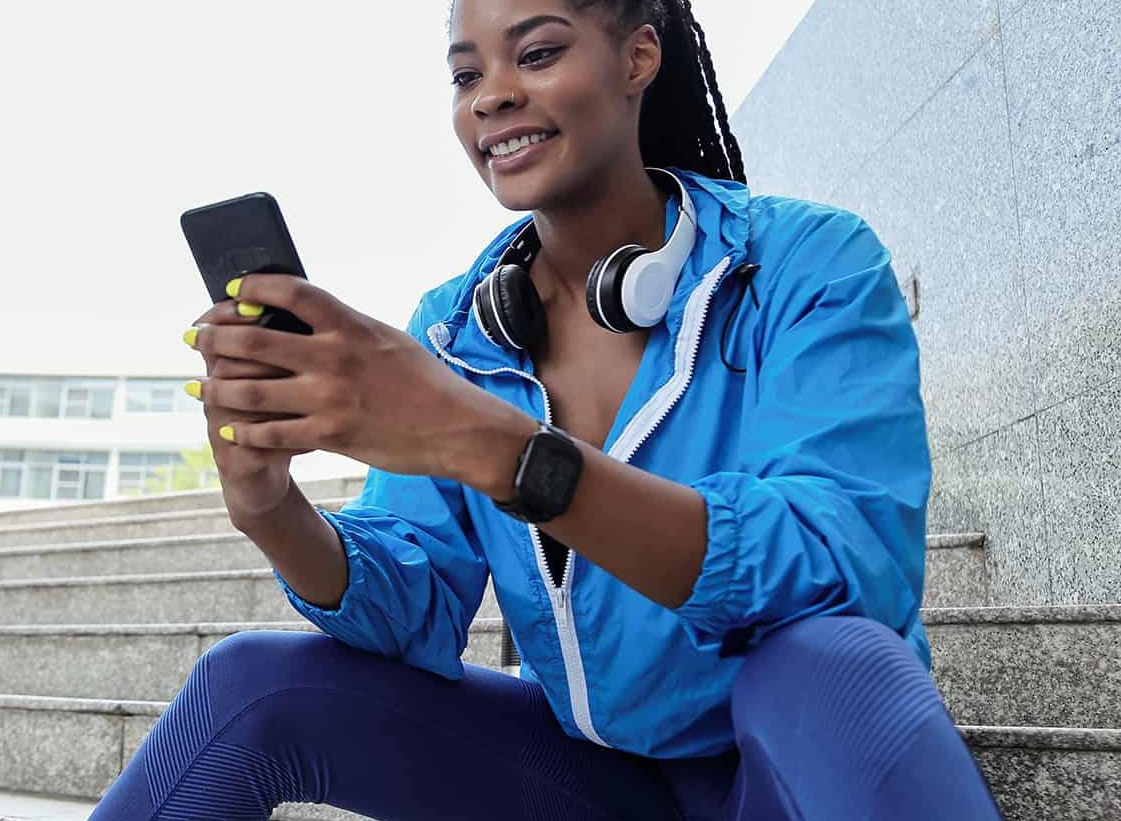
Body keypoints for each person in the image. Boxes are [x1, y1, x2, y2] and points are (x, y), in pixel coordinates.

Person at [90, 0, 1003, 818]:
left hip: (789, 766)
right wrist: (270, 509)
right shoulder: (453, 330)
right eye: (465, 73)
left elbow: (847, 564)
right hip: (588, 783)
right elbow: (410, 604)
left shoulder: (809, 262)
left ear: (639, 57)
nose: (490, 96)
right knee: (245, 683)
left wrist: (495, 445)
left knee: (838, 664)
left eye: (536, 53)